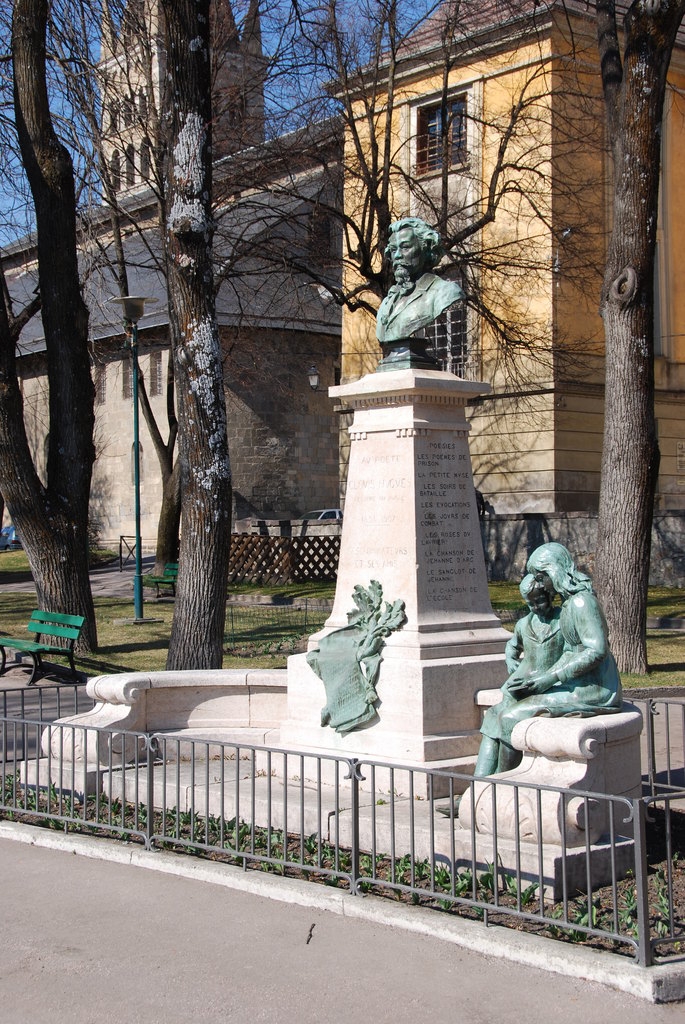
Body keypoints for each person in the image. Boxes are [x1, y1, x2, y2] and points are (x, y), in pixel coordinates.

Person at [474, 542, 623, 777]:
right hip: (574, 682)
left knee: (511, 717)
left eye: (540, 577)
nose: (540, 584)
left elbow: (596, 651)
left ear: (554, 572)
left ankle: (497, 788)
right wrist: (542, 679)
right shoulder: (567, 605)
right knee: (500, 711)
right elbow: (568, 653)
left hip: (594, 688)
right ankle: (481, 784)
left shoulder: (581, 603)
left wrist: (549, 678)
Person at [376, 218, 463, 345]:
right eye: (394, 250)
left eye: (405, 247)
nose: (397, 256)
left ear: (426, 249)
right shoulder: (387, 303)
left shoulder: (444, 291)